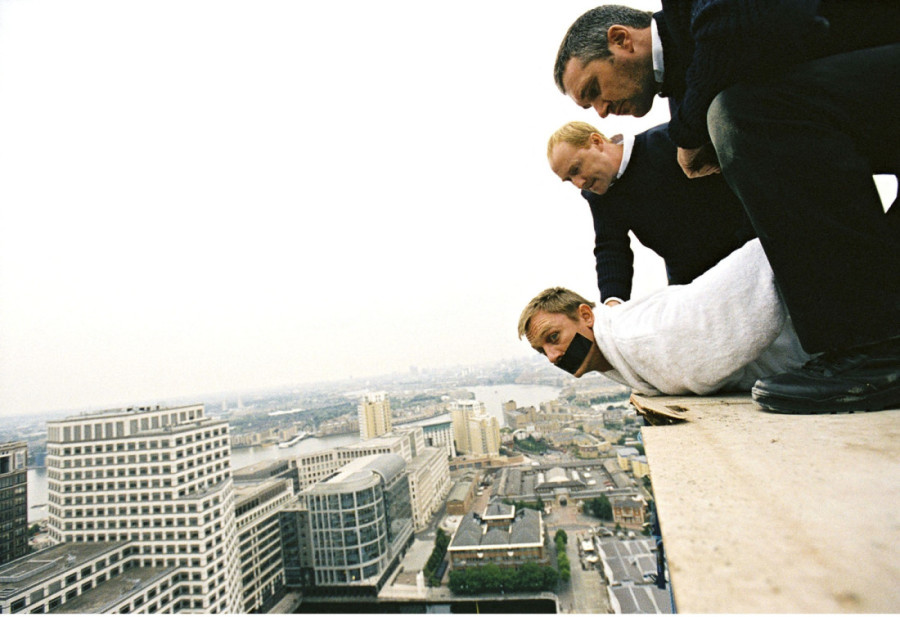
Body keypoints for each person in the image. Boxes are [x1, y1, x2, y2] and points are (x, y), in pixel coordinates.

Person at [552, 2, 900, 414]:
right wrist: (615, 309)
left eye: (594, 90)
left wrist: (689, 132)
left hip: (757, 250)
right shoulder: (612, 185)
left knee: (740, 115)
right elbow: (610, 248)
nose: (603, 110)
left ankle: (869, 347)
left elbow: (744, 22)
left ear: (622, 39)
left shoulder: (689, 31)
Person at [519, 240, 808, 396]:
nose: (553, 357)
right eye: (542, 350)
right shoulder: (619, 352)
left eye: (553, 337)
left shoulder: (646, 335)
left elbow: (737, 285)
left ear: (586, 315)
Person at [547, 120, 754, 305]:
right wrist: (613, 304)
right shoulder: (599, 197)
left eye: (575, 170)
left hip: (751, 252)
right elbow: (610, 248)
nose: (578, 183)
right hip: (692, 283)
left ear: (597, 141)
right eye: (569, 180)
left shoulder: (666, 140)